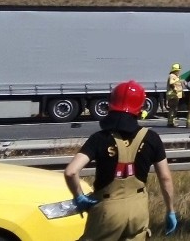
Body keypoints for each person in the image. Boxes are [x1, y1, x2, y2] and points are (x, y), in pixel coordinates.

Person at [64, 80, 177, 239]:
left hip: (107, 211)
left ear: (111, 104)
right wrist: (170, 210)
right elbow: (165, 178)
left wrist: (79, 197)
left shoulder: (99, 139)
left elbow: (70, 172)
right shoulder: (152, 138)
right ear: (140, 107)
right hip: (138, 209)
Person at [165, 63, 184, 128]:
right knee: (173, 109)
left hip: (175, 95)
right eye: (178, 70)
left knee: (173, 109)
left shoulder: (174, 76)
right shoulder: (172, 76)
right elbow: (171, 83)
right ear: (175, 70)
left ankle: (172, 121)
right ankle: (171, 122)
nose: (179, 71)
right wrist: (175, 89)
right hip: (173, 95)